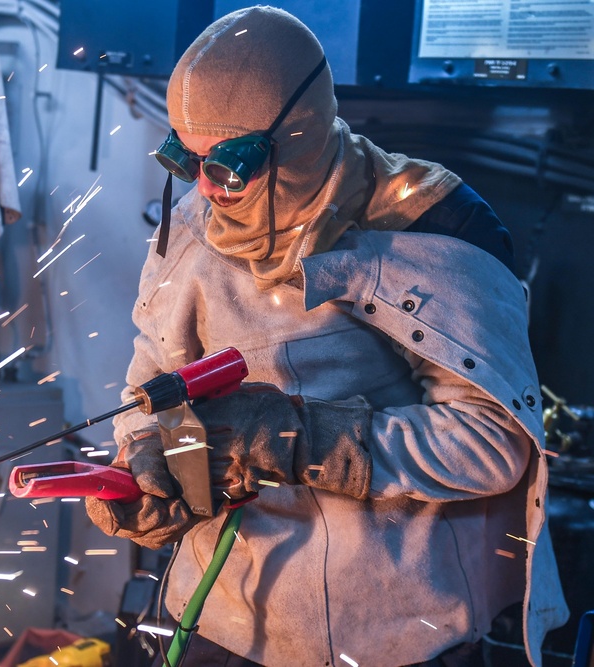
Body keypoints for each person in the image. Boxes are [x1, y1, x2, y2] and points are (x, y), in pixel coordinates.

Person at [86, 6, 568, 667]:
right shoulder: (193, 228)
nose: (205, 188)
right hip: (229, 618)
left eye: (228, 164)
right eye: (184, 157)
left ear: (299, 135)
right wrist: (150, 469)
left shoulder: (430, 224)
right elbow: (153, 390)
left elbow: (493, 443)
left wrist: (306, 440)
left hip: (397, 633)